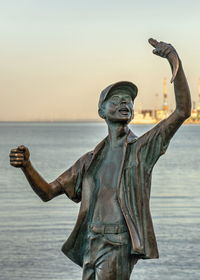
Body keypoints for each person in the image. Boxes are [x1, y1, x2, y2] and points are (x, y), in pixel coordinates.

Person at [10, 39, 191, 280]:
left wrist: (174, 60)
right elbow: (47, 192)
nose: (124, 103)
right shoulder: (89, 161)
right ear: (101, 111)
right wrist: (26, 166)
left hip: (118, 242)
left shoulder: (141, 149)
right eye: (115, 100)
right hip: (90, 242)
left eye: (128, 100)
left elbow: (182, 111)